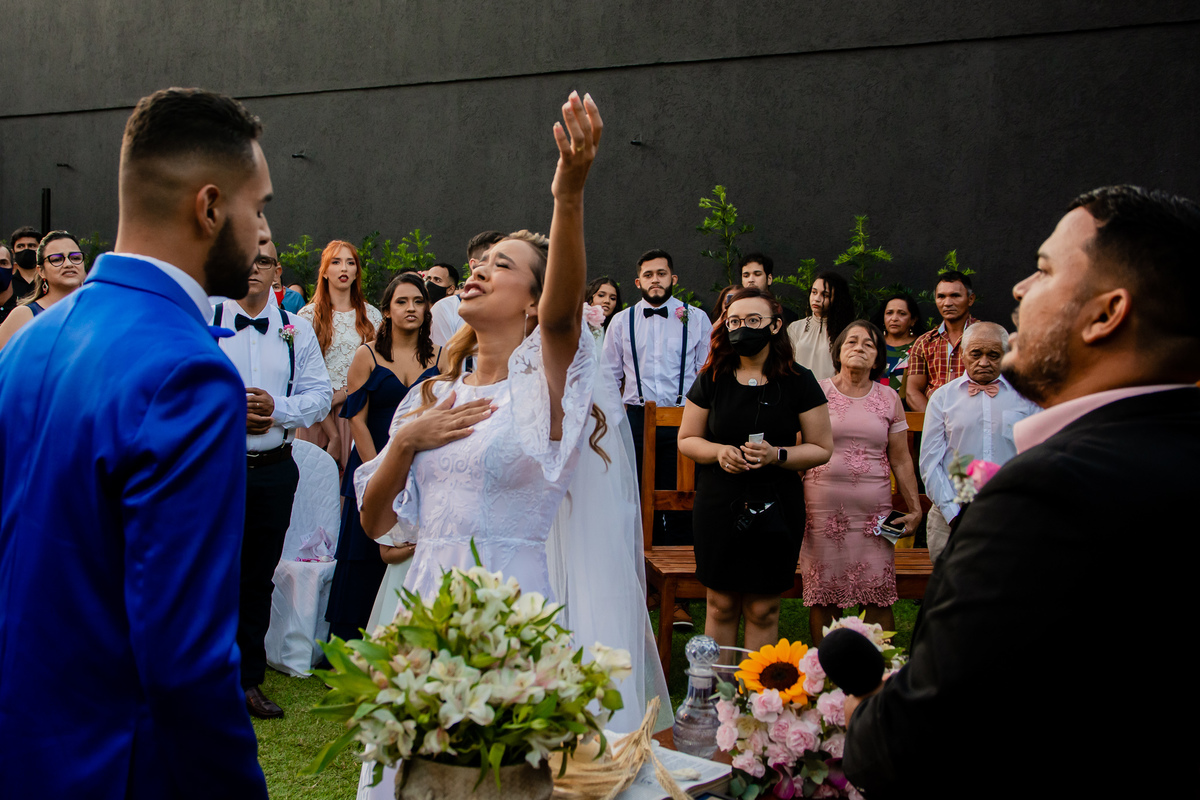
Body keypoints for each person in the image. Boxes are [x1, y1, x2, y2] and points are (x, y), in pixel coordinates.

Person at [843, 186, 1200, 799]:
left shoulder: (1046, 498)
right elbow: (938, 458)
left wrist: (868, 716)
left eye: (1043, 271)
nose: (1019, 291)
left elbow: (919, 743)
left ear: (1106, 313)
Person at [355, 91, 668, 739]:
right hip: (422, 607)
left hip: (510, 608)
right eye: (479, 261)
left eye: (502, 265)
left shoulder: (544, 389)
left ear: (531, 303)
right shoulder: (428, 398)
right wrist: (408, 440)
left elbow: (561, 318)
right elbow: (377, 522)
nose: (478, 270)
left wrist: (569, 195)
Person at [0, 87, 271, 797]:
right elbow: (185, 659)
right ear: (210, 207)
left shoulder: (29, 344)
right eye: (259, 206)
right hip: (115, 765)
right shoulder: (188, 372)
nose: (264, 228)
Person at [677, 287, 832, 657]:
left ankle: (756, 704)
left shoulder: (799, 380)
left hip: (776, 503)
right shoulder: (713, 377)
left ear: (776, 326)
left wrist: (778, 454)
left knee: (764, 608)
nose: (742, 328)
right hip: (720, 501)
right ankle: (716, 700)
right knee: (720, 604)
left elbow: (821, 448)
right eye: (734, 321)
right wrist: (718, 452)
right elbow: (687, 439)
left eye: (753, 321)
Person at [214, 247, 332, 718]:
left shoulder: (295, 329)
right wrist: (227, 410)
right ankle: (199, 681)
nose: (252, 268)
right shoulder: (206, 318)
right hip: (214, 470)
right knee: (207, 574)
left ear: (276, 271)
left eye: (262, 261)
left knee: (256, 576)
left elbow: (320, 396)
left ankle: (247, 682)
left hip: (274, 469)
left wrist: (277, 410)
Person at [325, 273, 438, 644]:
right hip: (371, 466)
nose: (411, 308)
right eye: (402, 302)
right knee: (364, 551)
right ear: (387, 311)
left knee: (410, 552)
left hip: (423, 470)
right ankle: (348, 644)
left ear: (427, 308)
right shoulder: (367, 355)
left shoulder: (442, 357)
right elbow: (356, 418)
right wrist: (379, 473)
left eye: (418, 301)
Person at [799, 320, 922, 644]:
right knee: (824, 594)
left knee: (878, 592)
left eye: (869, 343)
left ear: (878, 356)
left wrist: (913, 507)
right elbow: (800, 448)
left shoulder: (889, 397)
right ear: (838, 351)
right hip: (823, 512)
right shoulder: (817, 391)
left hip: (876, 513)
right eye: (852, 341)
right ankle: (825, 676)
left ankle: (883, 675)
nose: (859, 347)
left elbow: (900, 457)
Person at [918, 322, 1039, 562]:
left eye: (993, 355)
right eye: (976, 354)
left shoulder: (1026, 398)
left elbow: (1038, 457)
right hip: (950, 513)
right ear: (962, 353)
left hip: (1012, 514)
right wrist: (954, 514)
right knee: (953, 593)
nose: (984, 362)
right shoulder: (943, 398)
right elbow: (930, 463)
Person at [297, 240, 383, 469]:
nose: (344, 268)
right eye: (336, 262)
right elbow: (301, 377)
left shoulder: (372, 317)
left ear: (357, 272)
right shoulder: (307, 317)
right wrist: (333, 434)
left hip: (358, 412)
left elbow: (379, 370)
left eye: (350, 262)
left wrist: (345, 393)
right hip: (317, 416)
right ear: (324, 272)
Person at [903, 270, 978, 411]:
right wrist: (935, 422)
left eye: (955, 296)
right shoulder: (924, 342)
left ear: (970, 299)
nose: (947, 303)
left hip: (976, 420)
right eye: (941, 296)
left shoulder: (986, 337)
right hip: (935, 423)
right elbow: (913, 392)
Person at [0, 231, 87, 349]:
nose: (68, 264)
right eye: (56, 259)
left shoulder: (99, 309)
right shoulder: (24, 315)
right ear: (41, 271)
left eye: (75, 258)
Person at [430, 230, 504, 348]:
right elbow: (443, 362)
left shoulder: (518, 309)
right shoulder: (446, 309)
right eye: (499, 261)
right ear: (475, 265)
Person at [786, 270, 853, 380]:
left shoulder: (846, 331)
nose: (816, 299)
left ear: (837, 299)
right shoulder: (795, 328)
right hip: (799, 392)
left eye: (825, 295)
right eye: (814, 292)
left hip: (830, 393)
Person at [874, 291, 924, 407]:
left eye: (902, 314)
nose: (894, 318)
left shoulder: (922, 345)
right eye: (889, 313)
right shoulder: (872, 344)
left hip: (908, 414)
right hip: (871, 412)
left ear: (913, 320)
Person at [739, 252, 797, 324]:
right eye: (746, 276)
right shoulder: (734, 314)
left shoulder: (786, 316)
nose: (751, 280)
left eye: (757, 274)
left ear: (769, 279)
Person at [0, 226, 42, 323]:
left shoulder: (48, 284)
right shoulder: (8, 284)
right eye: (20, 246)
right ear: (13, 252)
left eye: (31, 246)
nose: (26, 250)